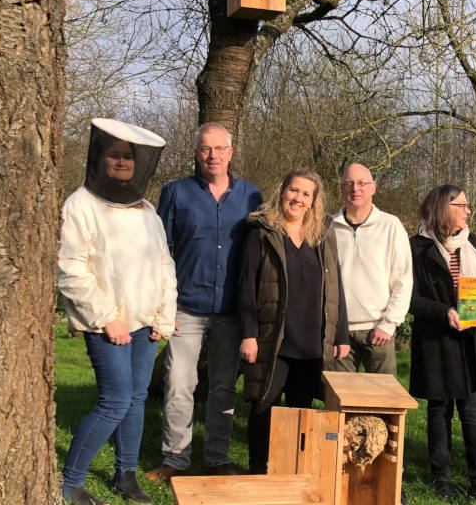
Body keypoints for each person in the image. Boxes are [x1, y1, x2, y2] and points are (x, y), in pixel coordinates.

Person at [58, 118, 177, 505]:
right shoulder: (80, 205)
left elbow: (164, 266)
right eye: (115, 154)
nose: (123, 161)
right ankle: (71, 482)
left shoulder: (147, 211)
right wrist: (107, 317)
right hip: (105, 324)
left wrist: (162, 317)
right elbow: (70, 268)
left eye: (129, 156)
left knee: (137, 399)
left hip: (145, 325)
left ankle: (125, 476)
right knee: (115, 400)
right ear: (100, 157)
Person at [147, 123, 262, 481]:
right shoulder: (176, 192)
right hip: (186, 307)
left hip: (231, 309)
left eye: (219, 148)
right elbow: (158, 250)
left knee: (224, 387)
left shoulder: (251, 196)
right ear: (197, 153)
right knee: (180, 384)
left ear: (230, 153)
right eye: (205, 149)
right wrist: (160, 307)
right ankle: (175, 460)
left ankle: (216, 460)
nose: (212, 155)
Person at [238, 168, 351, 474]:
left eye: (306, 194)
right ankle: (258, 472)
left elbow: (336, 286)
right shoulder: (262, 232)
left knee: (302, 411)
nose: (298, 198)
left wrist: (341, 334)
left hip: (312, 341)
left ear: (314, 201)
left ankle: (291, 472)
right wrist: (248, 334)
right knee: (264, 405)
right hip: (274, 338)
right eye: (294, 191)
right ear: (282, 191)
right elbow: (247, 285)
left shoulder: (323, 234)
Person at [409, 184, 476, 503]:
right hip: (436, 341)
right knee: (439, 411)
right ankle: (441, 481)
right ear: (444, 208)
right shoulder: (417, 247)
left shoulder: (471, 240)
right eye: (462, 205)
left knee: (473, 411)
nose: (468, 210)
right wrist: (444, 312)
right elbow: (410, 298)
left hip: (473, 341)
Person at [331, 163, 412, 376]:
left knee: (383, 403)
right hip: (340, 334)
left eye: (361, 183)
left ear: (373, 188)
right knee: (342, 402)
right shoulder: (328, 228)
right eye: (348, 183)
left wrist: (389, 324)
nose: (355, 189)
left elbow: (403, 280)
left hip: (379, 331)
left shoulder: (391, 226)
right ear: (341, 189)